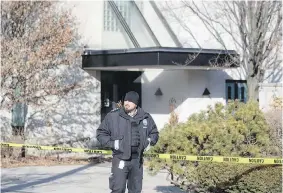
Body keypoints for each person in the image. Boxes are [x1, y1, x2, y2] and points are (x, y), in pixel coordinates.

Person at [96, 91, 159, 193]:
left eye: (130, 101)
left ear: (136, 103)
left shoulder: (145, 117)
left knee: (135, 190)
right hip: (120, 159)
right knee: (118, 189)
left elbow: (154, 133)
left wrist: (149, 142)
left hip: (137, 161)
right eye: (125, 100)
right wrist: (114, 144)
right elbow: (101, 133)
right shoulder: (113, 117)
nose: (126, 103)